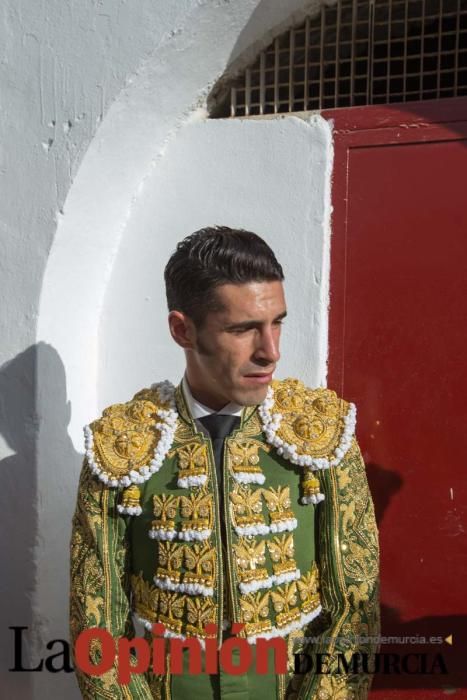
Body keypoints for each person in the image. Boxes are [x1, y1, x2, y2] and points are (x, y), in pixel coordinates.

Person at [69, 226, 380, 699]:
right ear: (182, 329)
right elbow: (96, 621)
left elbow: (355, 609)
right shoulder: (123, 446)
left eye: (277, 322)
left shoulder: (322, 435)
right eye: (243, 329)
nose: (270, 350)